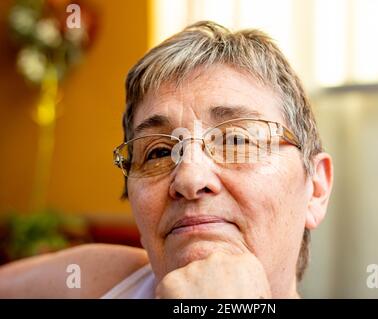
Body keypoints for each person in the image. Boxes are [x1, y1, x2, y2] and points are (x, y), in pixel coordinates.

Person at [0, 21, 333, 298]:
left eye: (236, 140)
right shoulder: (101, 282)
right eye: (158, 152)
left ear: (316, 189)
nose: (189, 178)